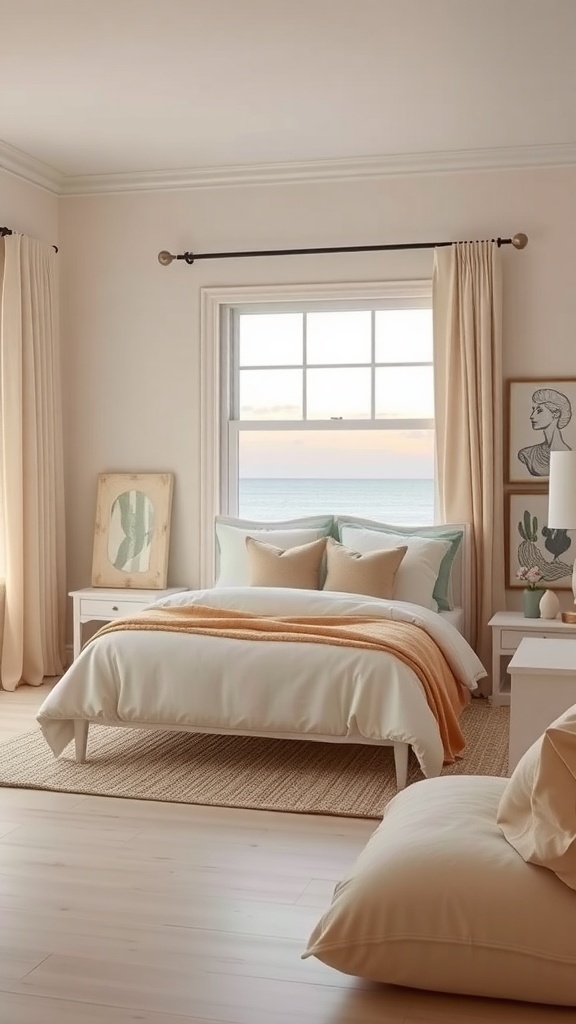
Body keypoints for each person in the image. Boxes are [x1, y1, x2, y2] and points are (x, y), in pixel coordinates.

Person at [518, 388, 572, 477]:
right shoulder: (527, 454)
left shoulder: (568, 455)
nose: (532, 416)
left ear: (556, 414)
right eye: (533, 409)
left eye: (539, 410)